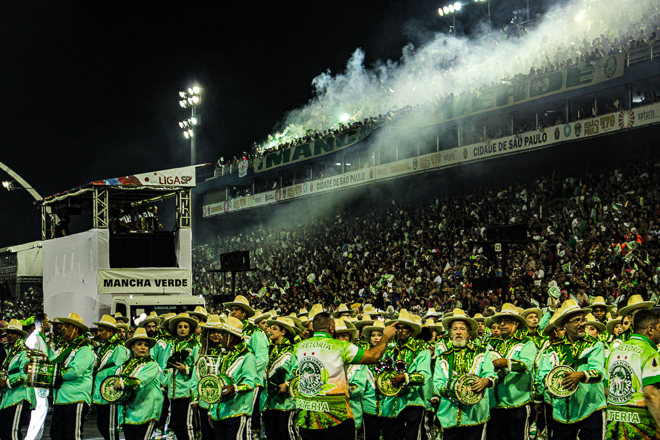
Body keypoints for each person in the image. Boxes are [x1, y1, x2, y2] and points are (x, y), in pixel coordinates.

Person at [292, 312, 397, 440]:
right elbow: (373, 356)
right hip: (335, 417)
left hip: (306, 416)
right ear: (331, 328)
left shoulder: (299, 347)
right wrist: (385, 336)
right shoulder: (341, 347)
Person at [536, 299, 606, 439]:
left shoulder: (595, 345)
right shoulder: (553, 349)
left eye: (583, 319)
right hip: (562, 412)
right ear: (565, 325)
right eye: (576, 320)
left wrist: (581, 375)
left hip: (591, 409)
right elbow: (543, 375)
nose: (582, 324)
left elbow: (598, 373)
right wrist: (551, 384)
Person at [434, 309, 496, 440]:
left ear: (468, 333)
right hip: (449, 415)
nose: (458, 332)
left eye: (462, 329)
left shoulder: (482, 352)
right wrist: (454, 391)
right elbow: (437, 383)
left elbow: (490, 373)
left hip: (475, 414)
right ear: (450, 333)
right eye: (455, 329)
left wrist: (485, 381)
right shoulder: (442, 357)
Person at [374, 310, 432, 440]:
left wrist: (405, 378)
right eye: (398, 328)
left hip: (413, 401)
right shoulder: (390, 349)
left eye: (404, 328)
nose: (400, 331)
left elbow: (424, 375)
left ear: (411, 331)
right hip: (390, 402)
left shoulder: (421, 349)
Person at [605, 308, 660, 439]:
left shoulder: (615, 351)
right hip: (642, 428)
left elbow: (606, 390)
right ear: (650, 329)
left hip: (615, 425)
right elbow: (651, 394)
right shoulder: (649, 353)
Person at [486, 303, 538, 440]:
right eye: (500, 321)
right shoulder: (490, 344)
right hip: (493, 405)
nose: (502, 324)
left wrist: (507, 363)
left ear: (516, 324)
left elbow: (527, 365)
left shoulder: (527, 343)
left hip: (517, 404)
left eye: (506, 322)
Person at [223, 295, 269, 438]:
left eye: (237, 310)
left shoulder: (255, 333)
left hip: (251, 381)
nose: (233, 312)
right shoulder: (233, 331)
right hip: (233, 381)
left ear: (244, 313)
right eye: (232, 310)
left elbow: (263, 358)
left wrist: (248, 371)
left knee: (246, 416)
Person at [209, 317, 261, 440]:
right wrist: (212, 410)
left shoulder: (247, 357)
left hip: (237, 411)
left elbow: (250, 382)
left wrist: (234, 387)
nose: (220, 338)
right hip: (220, 412)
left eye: (223, 335)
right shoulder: (224, 355)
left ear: (231, 338)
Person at [50, 312, 95, 440]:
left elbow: (75, 371)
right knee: (56, 435)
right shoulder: (67, 349)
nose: (63, 329)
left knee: (73, 436)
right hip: (61, 399)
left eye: (67, 326)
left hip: (76, 398)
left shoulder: (84, 349)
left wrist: (54, 374)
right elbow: (53, 363)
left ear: (76, 329)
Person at [115, 327, 164, 440]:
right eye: (139, 344)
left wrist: (122, 383)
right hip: (129, 411)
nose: (143, 347)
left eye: (146, 345)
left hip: (146, 410)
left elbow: (140, 380)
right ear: (132, 347)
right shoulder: (125, 366)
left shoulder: (151, 364)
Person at [92, 314, 130, 440]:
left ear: (110, 331)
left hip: (110, 393)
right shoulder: (104, 347)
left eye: (101, 330)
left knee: (109, 428)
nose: (99, 333)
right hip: (101, 393)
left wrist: (104, 373)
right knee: (102, 426)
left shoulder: (118, 347)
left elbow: (121, 368)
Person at [164, 312, 200, 440]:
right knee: (177, 426)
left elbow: (198, 368)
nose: (182, 329)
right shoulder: (171, 345)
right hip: (173, 392)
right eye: (180, 327)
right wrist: (165, 384)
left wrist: (186, 369)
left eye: (185, 326)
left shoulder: (195, 345)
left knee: (187, 426)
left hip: (187, 390)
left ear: (190, 328)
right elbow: (164, 365)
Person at [262, 316, 298, 440]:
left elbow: (298, 372)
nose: (270, 331)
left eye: (275, 328)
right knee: (271, 433)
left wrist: (287, 385)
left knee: (286, 433)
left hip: (286, 402)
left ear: (283, 332)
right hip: (269, 402)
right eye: (270, 328)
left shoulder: (293, 350)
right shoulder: (268, 349)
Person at [0, 319, 33, 440]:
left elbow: (25, 376)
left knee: (13, 434)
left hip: (19, 397)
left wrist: (7, 382)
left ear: (19, 335)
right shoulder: (10, 352)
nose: (9, 335)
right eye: (8, 332)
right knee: (4, 433)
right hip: (7, 398)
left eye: (13, 333)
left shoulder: (24, 352)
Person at [24, 313, 52, 440]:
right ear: (43, 324)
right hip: (37, 378)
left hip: (42, 376)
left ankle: (34, 437)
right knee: (41, 408)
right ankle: (31, 438)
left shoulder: (39, 337)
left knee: (42, 409)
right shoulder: (34, 338)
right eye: (48, 322)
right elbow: (27, 358)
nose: (50, 325)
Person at [198, 315, 225, 440]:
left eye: (218, 332)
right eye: (212, 332)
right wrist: (194, 399)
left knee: (219, 433)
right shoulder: (200, 352)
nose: (216, 335)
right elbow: (196, 377)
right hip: (204, 400)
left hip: (221, 400)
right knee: (206, 433)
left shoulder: (225, 352)